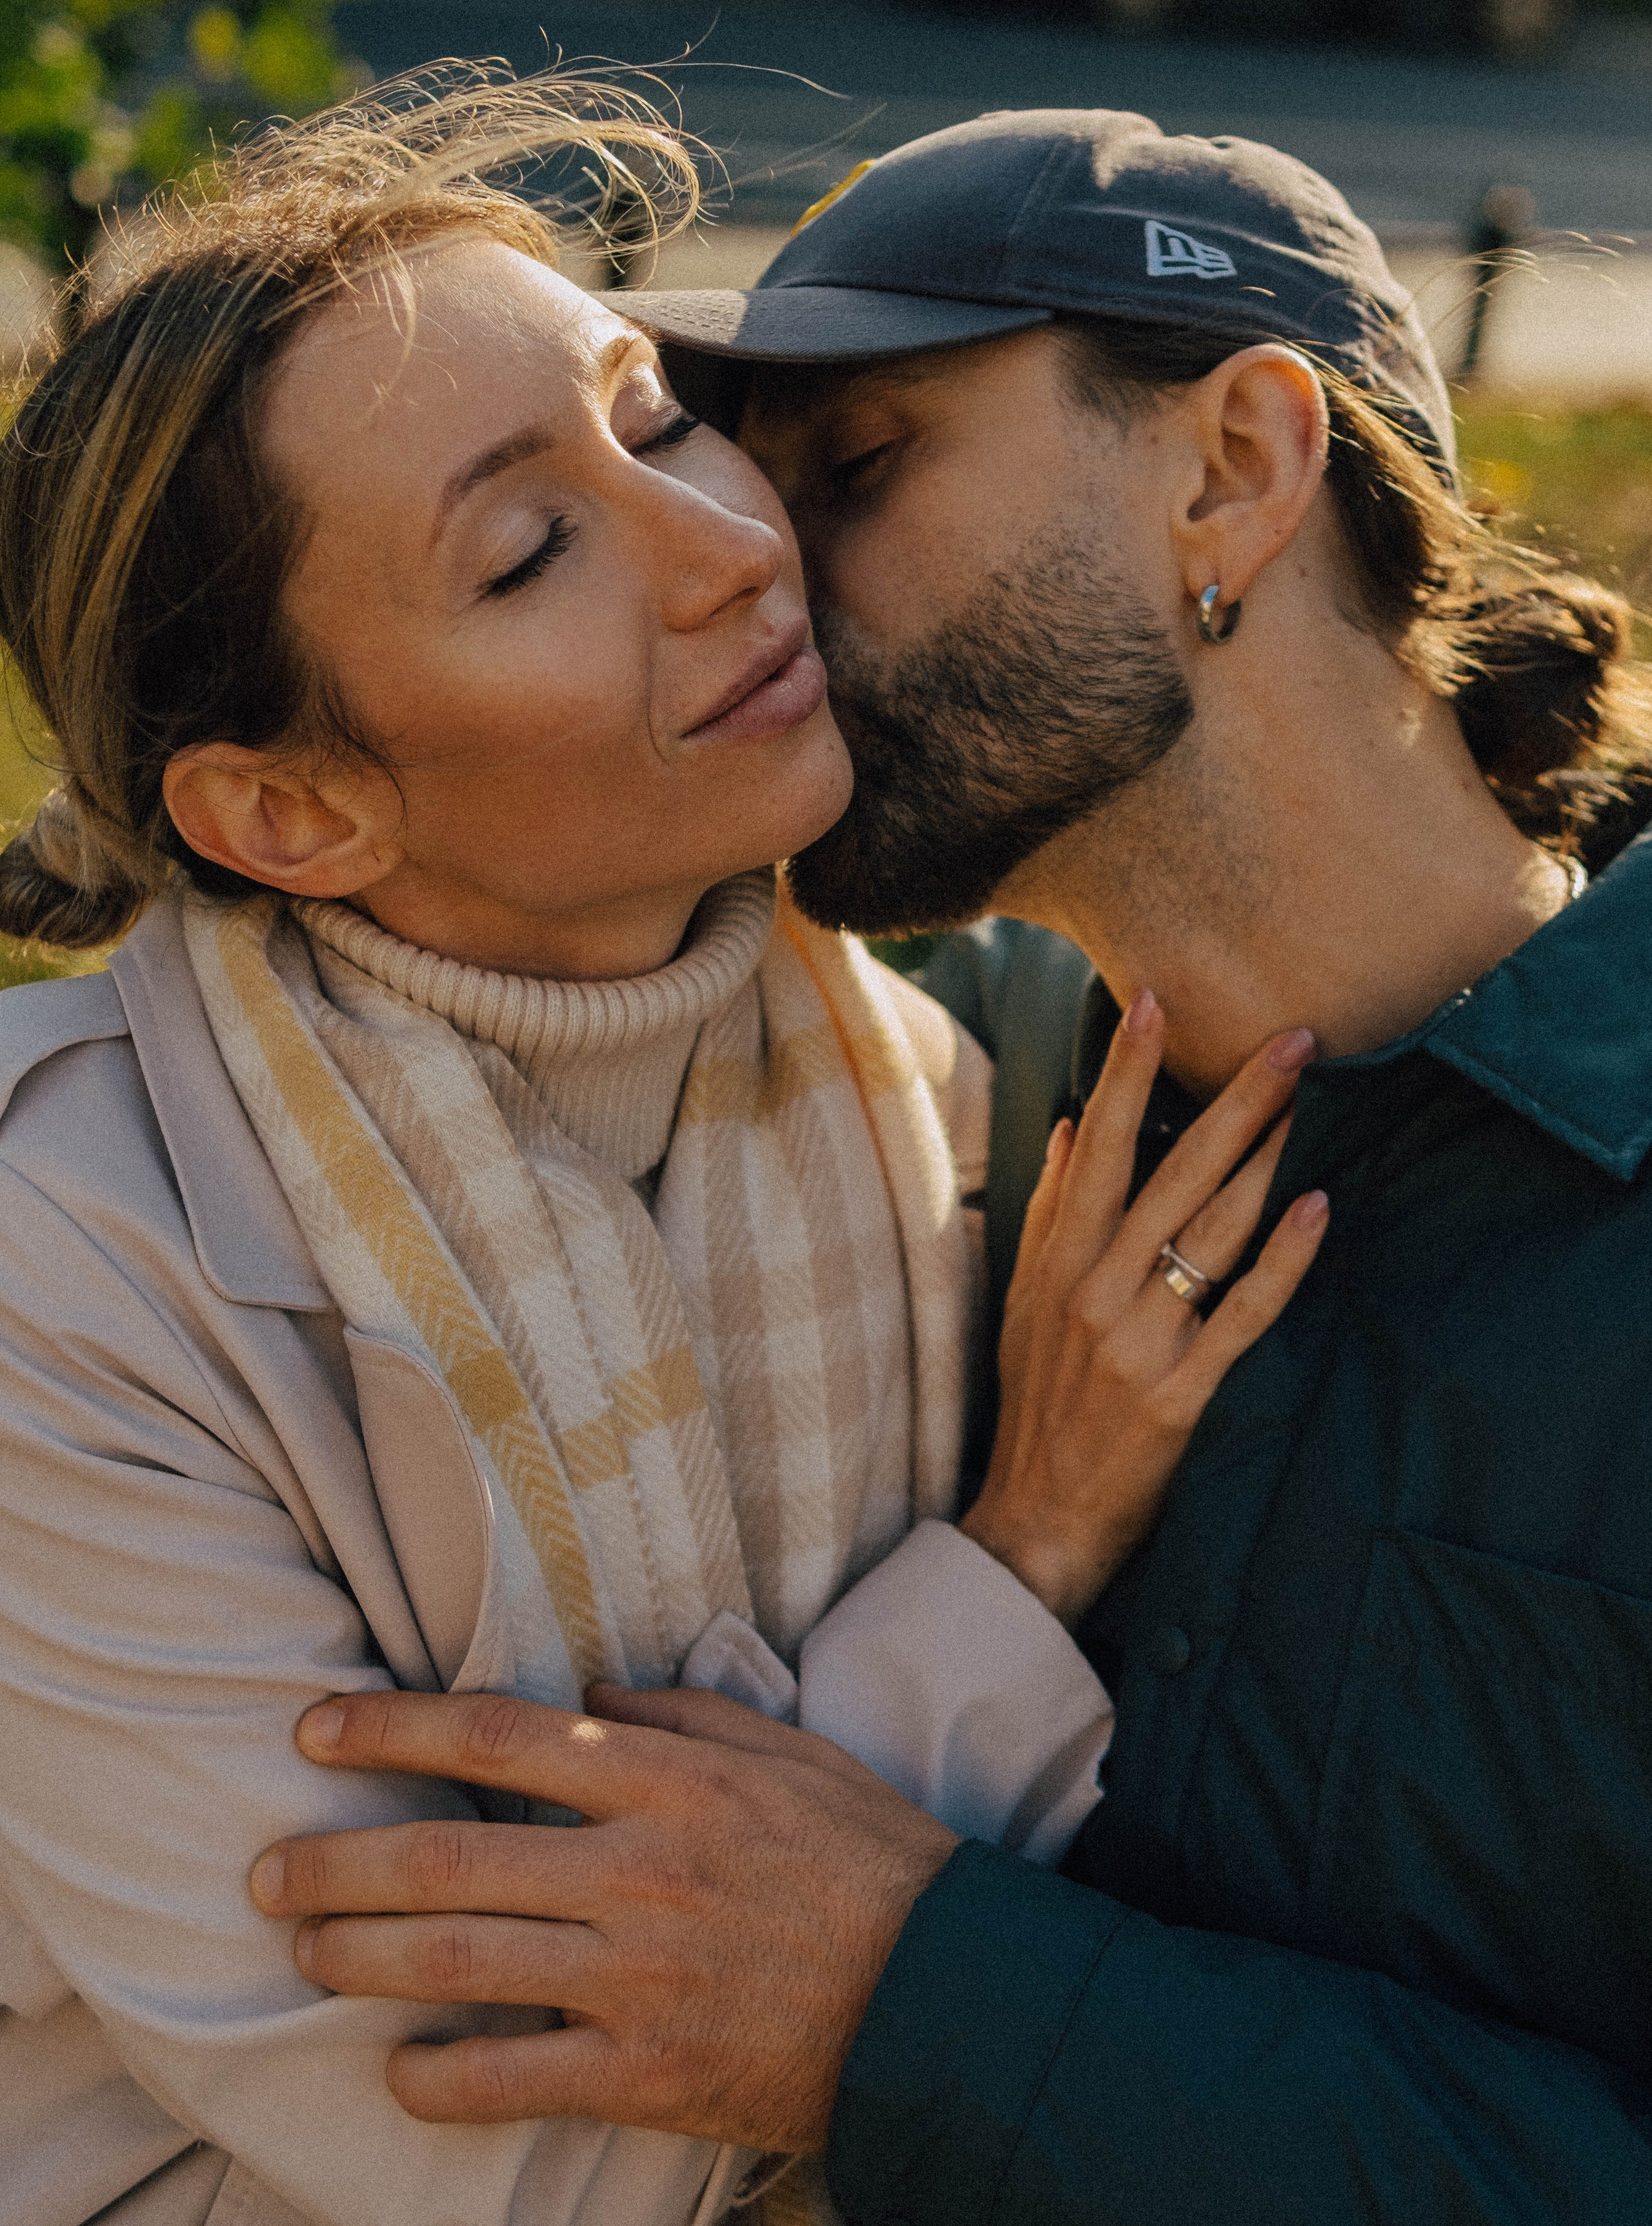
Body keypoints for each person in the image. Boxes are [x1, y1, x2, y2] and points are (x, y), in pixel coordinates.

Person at [262, 111, 1652, 2225]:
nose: (750, 566)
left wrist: (912, 2007)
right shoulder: (922, 1107)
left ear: (1236, 469)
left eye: (860, 469)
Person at [0, 77, 1323, 2226]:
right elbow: (524, 2147)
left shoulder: (928, 1065)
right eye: (529, 549)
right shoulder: (63, 1263)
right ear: (294, 814)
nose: (731, 549)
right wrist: (1028, 1558)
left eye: (657, 421)